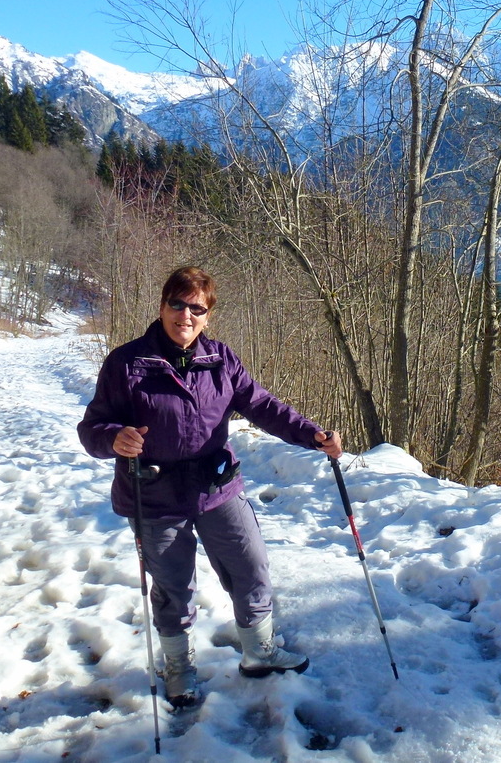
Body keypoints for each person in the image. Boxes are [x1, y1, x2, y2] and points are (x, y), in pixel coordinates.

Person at [77, 266, 342, 708]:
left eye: (196, 308)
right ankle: (179, 669)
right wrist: (113, 439)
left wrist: (312, 435)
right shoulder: (126, 364)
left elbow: (263, 406)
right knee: (172, 586)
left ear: (208, 316)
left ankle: (259, 653)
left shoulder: (221, 360)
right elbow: (92, 427)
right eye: (177, 304)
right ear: (162, 307)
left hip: (215, 487)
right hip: (154, 494)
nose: (186, 315)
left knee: (251, 565)